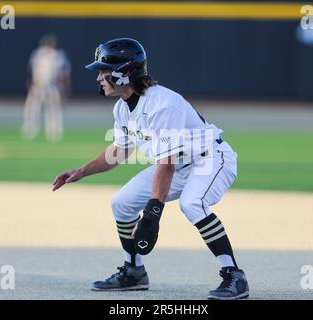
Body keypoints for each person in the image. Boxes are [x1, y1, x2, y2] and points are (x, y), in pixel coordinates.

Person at [52, 38, 249, 300]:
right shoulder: (122, 107)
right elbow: (118, 152)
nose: (99, 77)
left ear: (124, 74)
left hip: (210, 159)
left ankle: (234, 275)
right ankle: (134, 272)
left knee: (192, 203)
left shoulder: (163, 104)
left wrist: (153, 214)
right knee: (121, 203)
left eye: (104, 71)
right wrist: (81, 171)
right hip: (179, 164)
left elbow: (165, 165)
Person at [22, 34, 71, 143]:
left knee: (54, 110)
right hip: (38, 85)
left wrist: (63, 87)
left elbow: (63, 73)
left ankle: (54, 132)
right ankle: (30, 129)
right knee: (32, 109)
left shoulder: (58, 55)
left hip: (52, 86)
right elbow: (32, 71)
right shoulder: (38, 54)